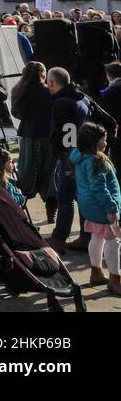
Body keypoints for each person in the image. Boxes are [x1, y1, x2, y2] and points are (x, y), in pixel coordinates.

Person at [70, 122, 121, 294]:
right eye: (103, 139)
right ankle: (115, 279)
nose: (105, 143)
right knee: (113, 241)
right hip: (102, 207)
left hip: (89, 207)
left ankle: (96, 272)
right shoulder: (94, 161)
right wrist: (111, 207)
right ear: (94, 141)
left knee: (97, 237)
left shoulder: (80, 157)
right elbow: (100, 188)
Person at [47, 66, 92, 254]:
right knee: (81, 197)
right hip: (84, 153)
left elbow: (68, 132)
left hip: (70, 155)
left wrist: (66, 151)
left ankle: (59, 238)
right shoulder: (82, 97)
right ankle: (86, 235)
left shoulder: (61, 103)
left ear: (52, 82)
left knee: (65, 197)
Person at [11, 61, 57, 220]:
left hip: (28, 135)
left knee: (27, 171)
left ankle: (18, 207)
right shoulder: (49, 92)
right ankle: (51, 207)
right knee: (49, 172)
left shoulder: (19, 91)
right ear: (43, 75)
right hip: (47, 135)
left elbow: (15, 113)